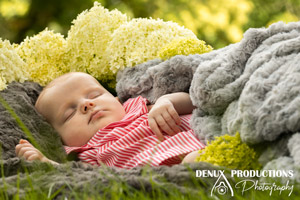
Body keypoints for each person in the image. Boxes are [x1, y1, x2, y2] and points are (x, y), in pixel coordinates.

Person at [15, 72, 204, 168]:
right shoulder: (87, 152)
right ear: (61, 138)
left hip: (203, 144)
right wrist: (46, 162)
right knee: (193, 163)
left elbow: (194, 103)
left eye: (95, 95)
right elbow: (79, 178)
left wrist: (167, 101)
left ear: (116, 100)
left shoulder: (137, 108)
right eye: (69, 114)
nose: (86, 104)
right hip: (166, 176)